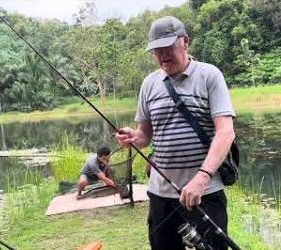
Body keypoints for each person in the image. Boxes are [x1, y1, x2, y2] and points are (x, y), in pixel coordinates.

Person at [116, 16, 235, 250]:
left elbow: (226, 132)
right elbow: (145, 135)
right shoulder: (149, 84)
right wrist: (133, 138)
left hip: (205, 191)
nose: (162, 55)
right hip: (161, 194)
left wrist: (202, 178)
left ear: (185, 42)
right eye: (156, 50)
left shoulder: (209, 75)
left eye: (167, 47)